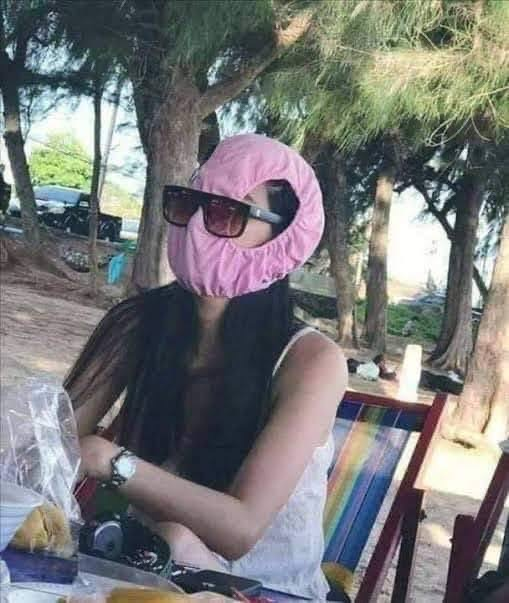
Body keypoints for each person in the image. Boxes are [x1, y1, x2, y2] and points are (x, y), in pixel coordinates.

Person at [67, 134, 348, 601]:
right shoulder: (139, 324)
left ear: (284, 238)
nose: (197, 225)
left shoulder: (311, 361)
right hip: (139, 573)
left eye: (226, 212)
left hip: (267, 591)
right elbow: (49, 441)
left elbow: (240, 529)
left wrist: (110, 461)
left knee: (176, 539)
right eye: (188, 204)